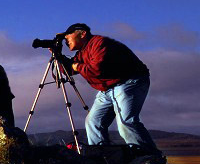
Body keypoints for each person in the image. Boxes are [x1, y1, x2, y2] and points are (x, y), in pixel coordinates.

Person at [55, 23, 159, 154]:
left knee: (125, 122)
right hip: (108, 88)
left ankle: (148, 157)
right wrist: (58, 56)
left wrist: (75, 66)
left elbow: (96, 69)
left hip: (129, 81)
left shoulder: (100, 43)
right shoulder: (82, 52)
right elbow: (68, 70)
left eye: (68, 34)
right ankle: (102, 156)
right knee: (93, 122)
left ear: (82, 33)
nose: (66, 39)